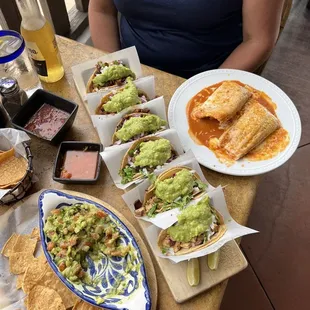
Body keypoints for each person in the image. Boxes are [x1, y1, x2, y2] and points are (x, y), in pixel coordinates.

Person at [89, 0, 285, 78]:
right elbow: (102, 10)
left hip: (210, 75)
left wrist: (205, 90)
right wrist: (115, 71)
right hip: (128, 70)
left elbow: (258, 40)